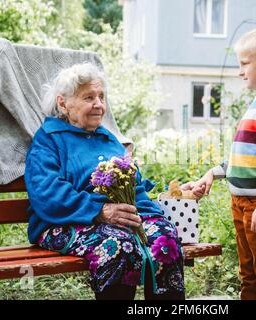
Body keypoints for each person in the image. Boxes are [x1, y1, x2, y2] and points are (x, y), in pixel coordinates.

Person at [24, 63, 185, 300]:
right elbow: (47, 192)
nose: (99, 104)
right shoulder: (48, 140)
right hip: (63, 223)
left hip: (120, 220)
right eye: (89, 97)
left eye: (101, 96)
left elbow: (133, 183)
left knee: (164, 239)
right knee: (118, 245)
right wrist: (99, 210)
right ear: (63, 103)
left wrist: (149, 215)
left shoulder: (107, 137)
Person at [183, 28, 256, 300]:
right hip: (241, 203)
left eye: (245, 64)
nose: (240, 71)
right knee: (248, 274)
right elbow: (241, 158)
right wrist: (212, 173)